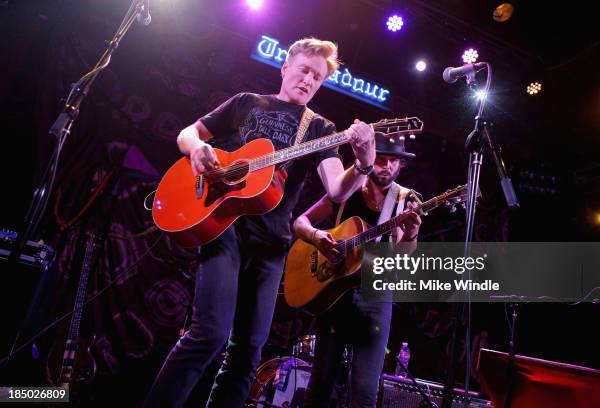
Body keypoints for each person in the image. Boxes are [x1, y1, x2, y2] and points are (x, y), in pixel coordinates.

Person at [145, 38, 376, 408]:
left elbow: (336, 189)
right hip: (225, 228)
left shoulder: (319, 127)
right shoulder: (246, 102)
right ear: (285, 67)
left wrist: (363, 164)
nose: (308, 80)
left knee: (248, 351)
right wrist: (197, 149)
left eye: (317, 78)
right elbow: (187, 133)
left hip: (272, 245)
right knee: (209, 334)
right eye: (304, 70)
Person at [293, 133, 422, 407]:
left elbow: (401, 261)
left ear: (401, 165)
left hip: (375, 295)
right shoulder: (347, 189)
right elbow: (300, 222)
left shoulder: (404, 200)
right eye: (381, 160)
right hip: (335, 294)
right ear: (370, 159)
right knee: (320, 385)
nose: (387, 166)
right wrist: (318, 237)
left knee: (364, 393)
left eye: (393, 161)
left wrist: (411, 236)